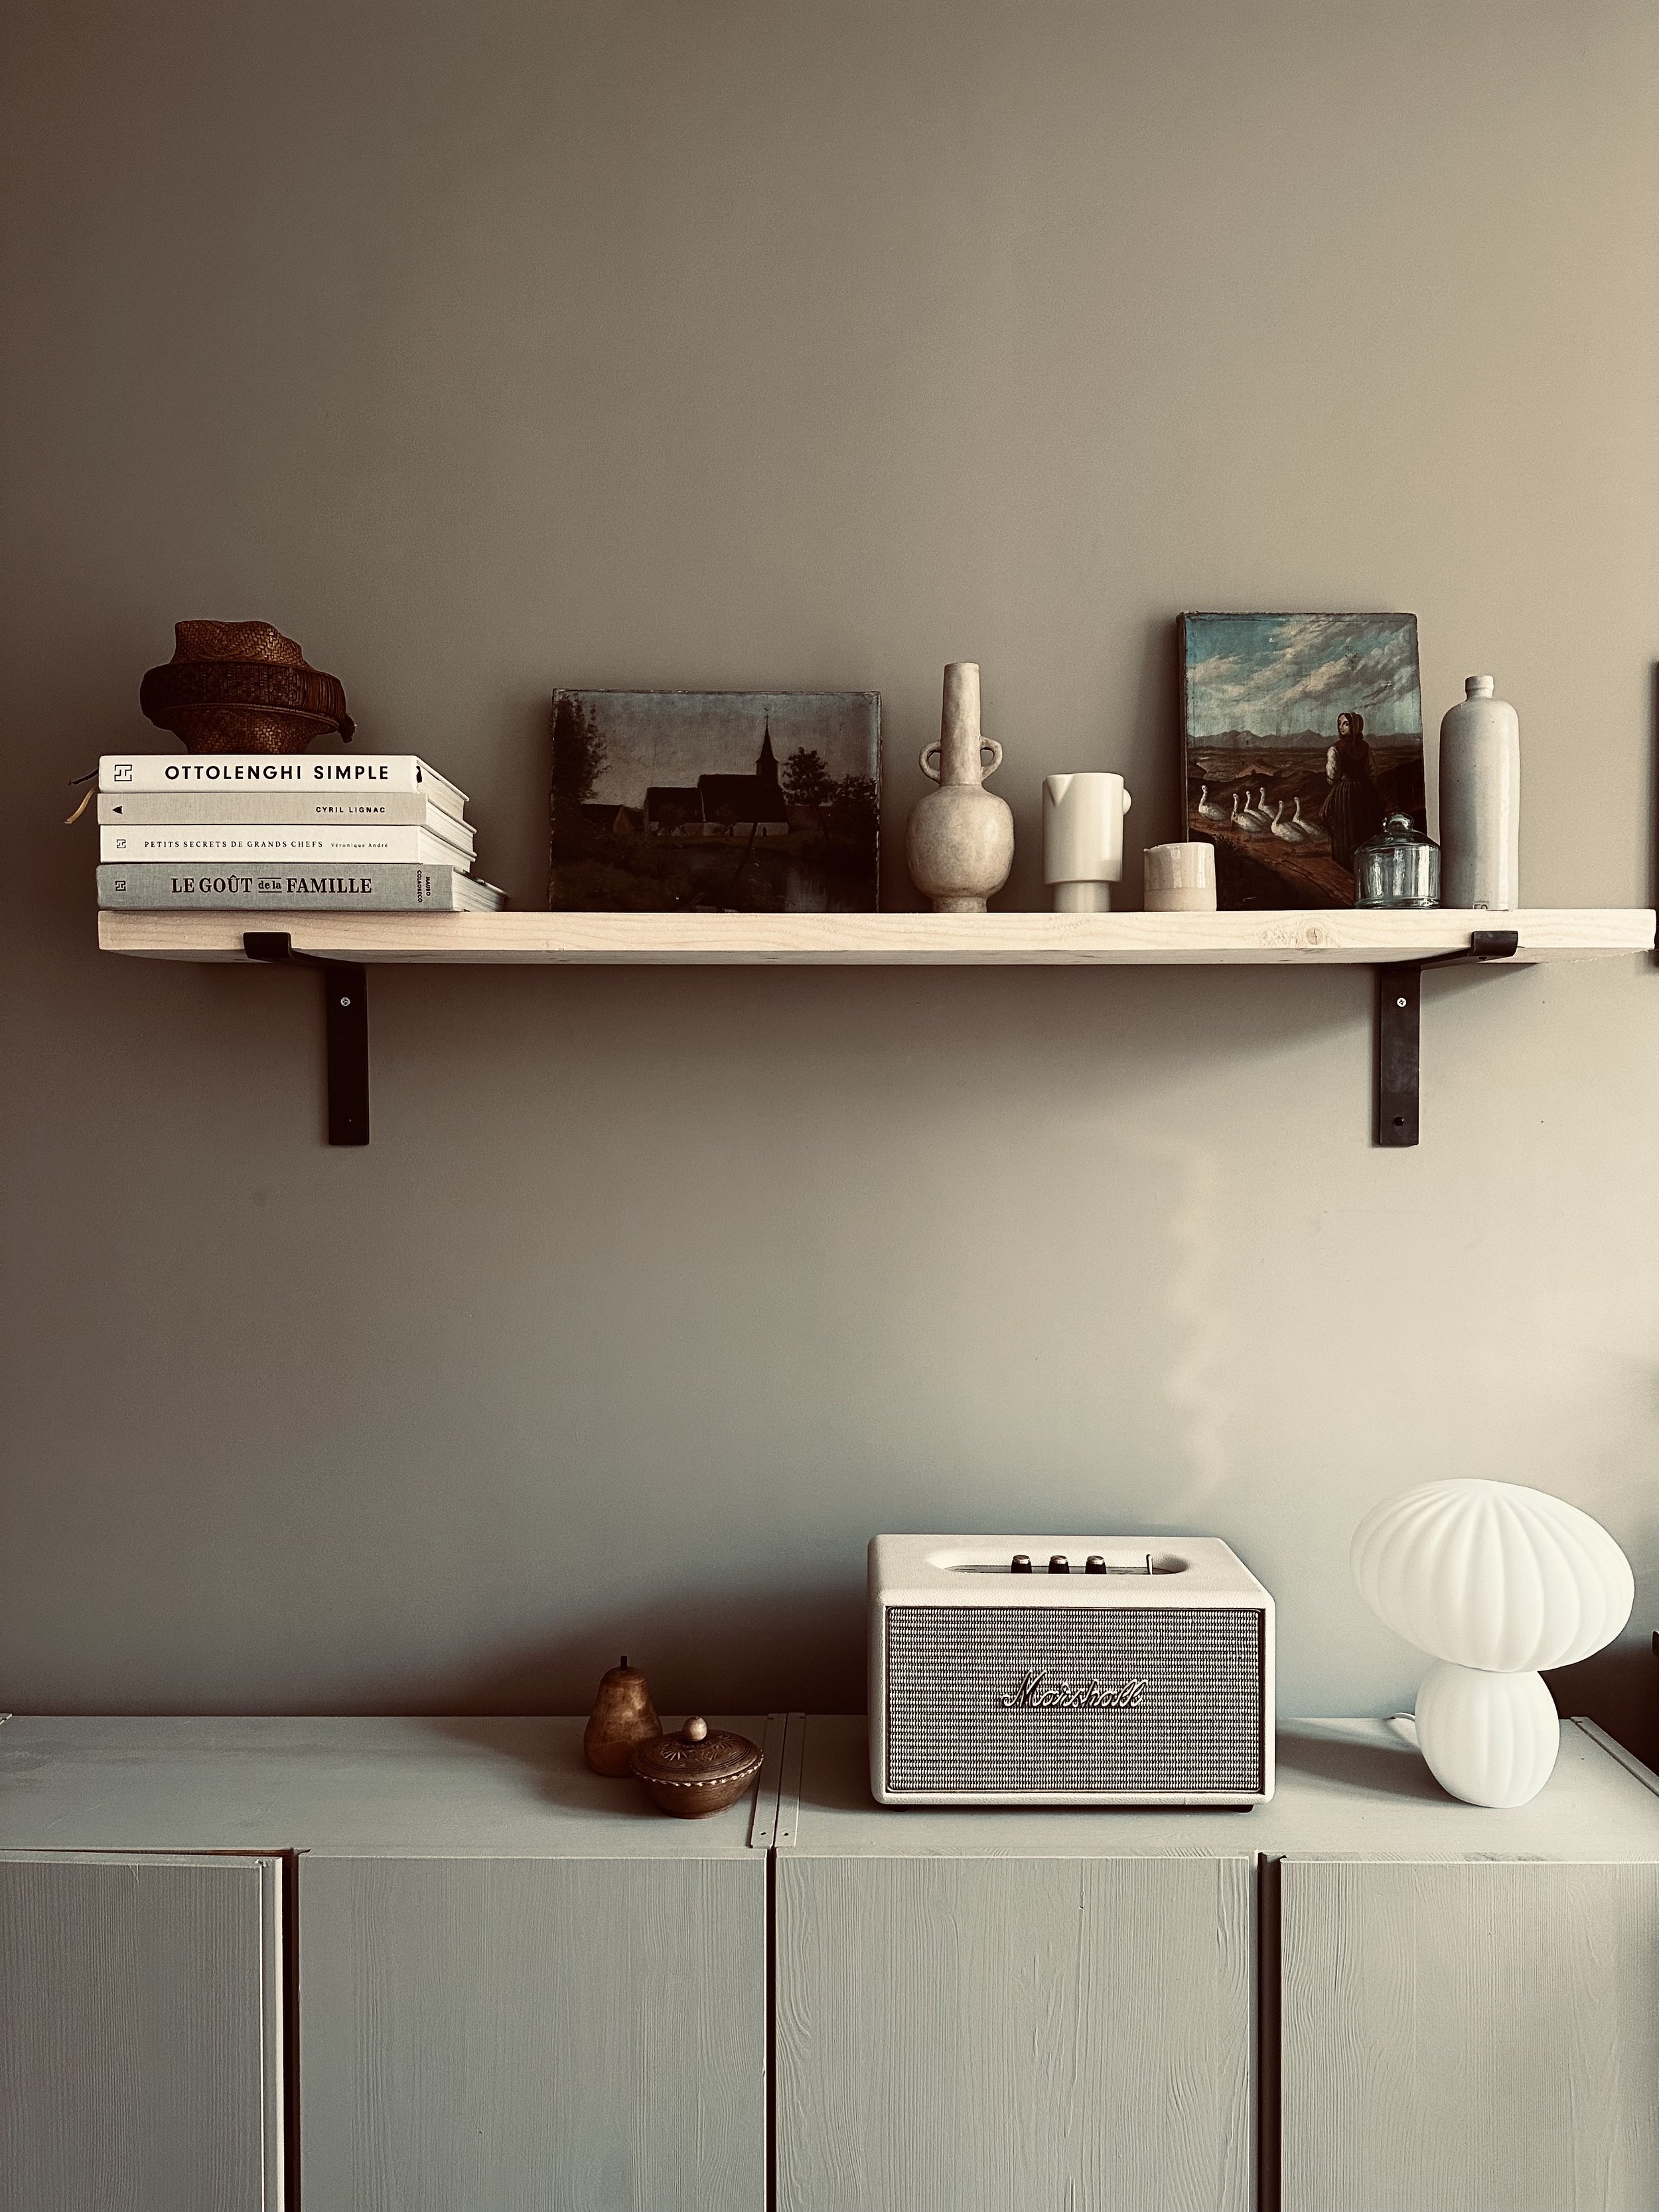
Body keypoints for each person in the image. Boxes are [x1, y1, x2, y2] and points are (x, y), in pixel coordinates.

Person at [1320, 709, 1385, 873]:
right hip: (1365, 791)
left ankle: (1347, 862)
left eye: (1346, 723)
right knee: (1361, 825)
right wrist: (1365, 786)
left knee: (1346, 826)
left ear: (1355, 726)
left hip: (1345, 793)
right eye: (1340, 724)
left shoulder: (1335, 749)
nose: (1341, 727)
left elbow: (1332, 776)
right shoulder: (1365, 747)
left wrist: (1339, 785)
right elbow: (1373, 773)